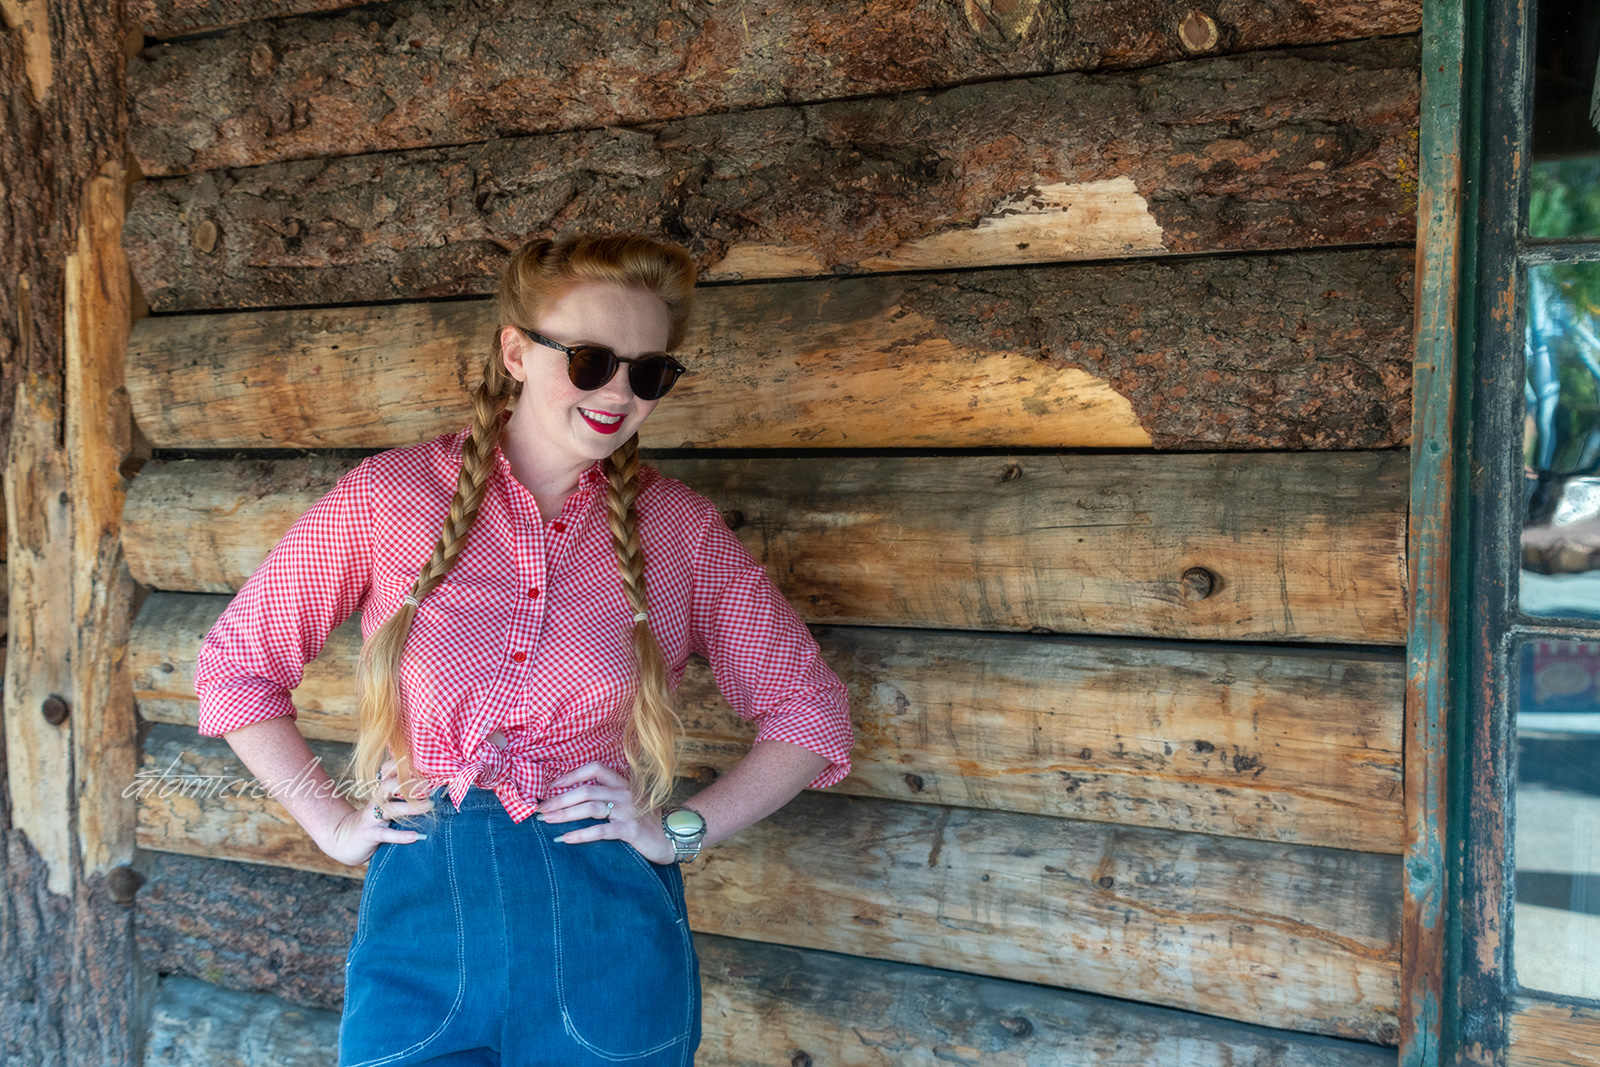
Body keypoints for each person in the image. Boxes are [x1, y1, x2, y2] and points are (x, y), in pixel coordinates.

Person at [193, 233, 856, 1067]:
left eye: (647, 371)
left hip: (608, 935)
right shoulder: (389, 499)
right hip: (419, 929)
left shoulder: (678, 530)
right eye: (589, 359)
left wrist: (679, 829)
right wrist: (328, 823)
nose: (618, 391)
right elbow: (236, 666)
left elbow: (810, 714)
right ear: (515, 349)